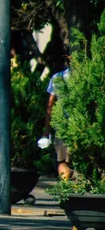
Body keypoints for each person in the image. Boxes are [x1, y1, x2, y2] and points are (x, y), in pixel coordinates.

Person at [43, 51, 72, 179]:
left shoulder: (57, 77)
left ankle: (65, 189)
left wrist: (47, 130)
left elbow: (50, 105)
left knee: (62, 161)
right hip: (74, 123)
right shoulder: (82, 77)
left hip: (62, 124)